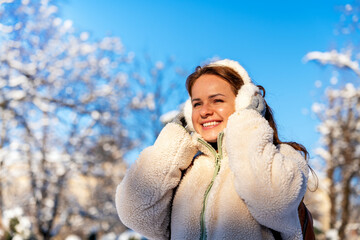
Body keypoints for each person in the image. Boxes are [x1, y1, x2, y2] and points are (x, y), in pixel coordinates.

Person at [115, 59, 310, 240]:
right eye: (196, 104)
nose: (204, 111)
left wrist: (247, 122)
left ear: (244, 103)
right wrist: (175, 135)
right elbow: (135, 213)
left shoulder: (282, 156)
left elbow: (271, 201)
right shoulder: (184, 170)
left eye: (217, 100)